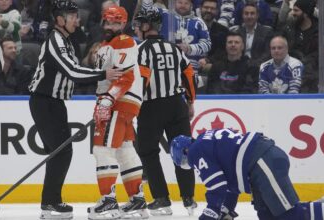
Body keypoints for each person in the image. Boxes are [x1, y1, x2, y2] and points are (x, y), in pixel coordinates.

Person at [28, 0, 125, 219]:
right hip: (44, 102)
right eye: (72, 16)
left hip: (54, 102)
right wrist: (103, 74)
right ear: (60, 19)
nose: (77, 19)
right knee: (61, 151)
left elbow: (75, 70)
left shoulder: (66, 40)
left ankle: (50, 202)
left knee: (60, 152)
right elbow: (72, 71)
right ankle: (50, 203)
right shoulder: (55, 39)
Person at [170, 129, 324, 220]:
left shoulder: (196, 151)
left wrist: (212, 214)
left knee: (287, 215)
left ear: (184, 153)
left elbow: (216, 187)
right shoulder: (206, 141)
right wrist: (226, 210)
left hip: (261, 162)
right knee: (269, 217)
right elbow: (230, 187)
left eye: (184, 162)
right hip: (260, 162)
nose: (189, 165)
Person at [87, 5, 150, 220]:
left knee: (103, 148)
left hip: (118, 101)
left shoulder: (123, 41)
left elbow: (125, 77)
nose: (110, 25)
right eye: (107, 21)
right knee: (124, 149)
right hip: (122, 102)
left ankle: (108, 201)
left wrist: (107, 100)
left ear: (123, 23)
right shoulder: (108, 44)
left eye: (115, 22)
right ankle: (137, 199)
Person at [134, 8, 198, 216]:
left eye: (139, 24)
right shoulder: (174, 48)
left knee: (147, 152)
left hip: (151, 107)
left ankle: (161, 199)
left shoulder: (141, 50)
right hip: (176, 105)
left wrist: (134, 105)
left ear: (146, 26)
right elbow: (188, 74)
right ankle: (189, 198)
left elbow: (142, 80)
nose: (136, 28)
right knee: (184, 151)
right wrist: (190, 101)